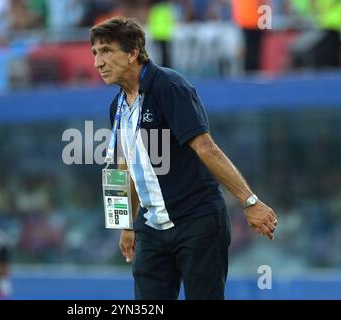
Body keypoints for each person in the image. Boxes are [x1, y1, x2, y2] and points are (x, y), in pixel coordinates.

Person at [90, 16, 278, 300]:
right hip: (151, 229)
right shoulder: (116, 105)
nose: (98, 62)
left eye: (106, 51)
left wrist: (249, 202)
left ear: (132, 53)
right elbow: (122, 166)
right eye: (95, 53)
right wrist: (126, 224)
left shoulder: (169, 85)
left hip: (197, 222)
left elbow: (206, 148)